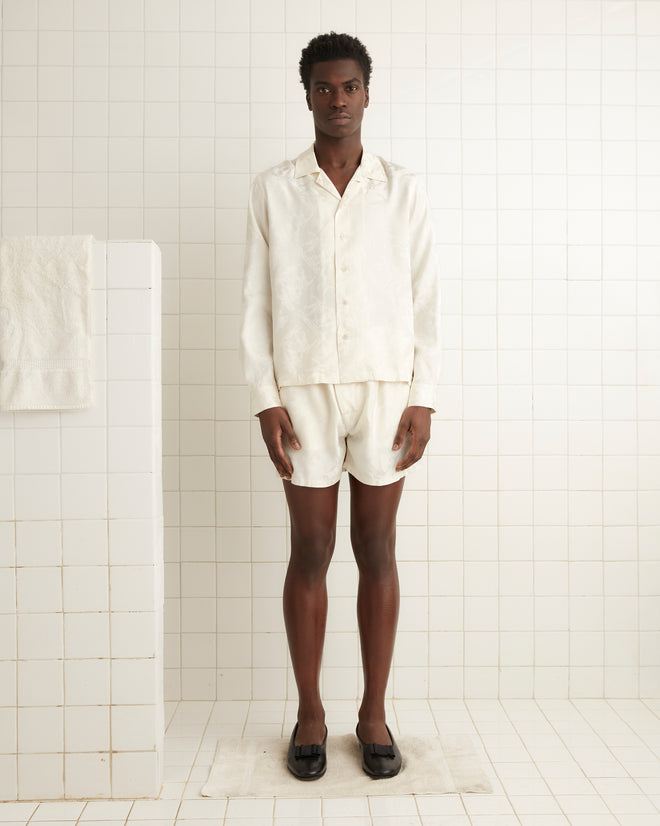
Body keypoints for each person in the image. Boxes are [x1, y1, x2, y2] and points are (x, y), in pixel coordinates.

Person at [239, 32, 441, 781]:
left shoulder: (402, 187)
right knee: (312, 551)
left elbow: (427, 298)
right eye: (324, 88)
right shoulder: (274, 188)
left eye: (350, 86)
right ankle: (312, 714)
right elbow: (256, 300)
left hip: (386, 391)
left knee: (378, 550)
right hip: (303, 393)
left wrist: (424, 396)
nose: (338, 100)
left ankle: (375, 712)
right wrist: (265, 399)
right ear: (307, 95)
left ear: (367, 92)